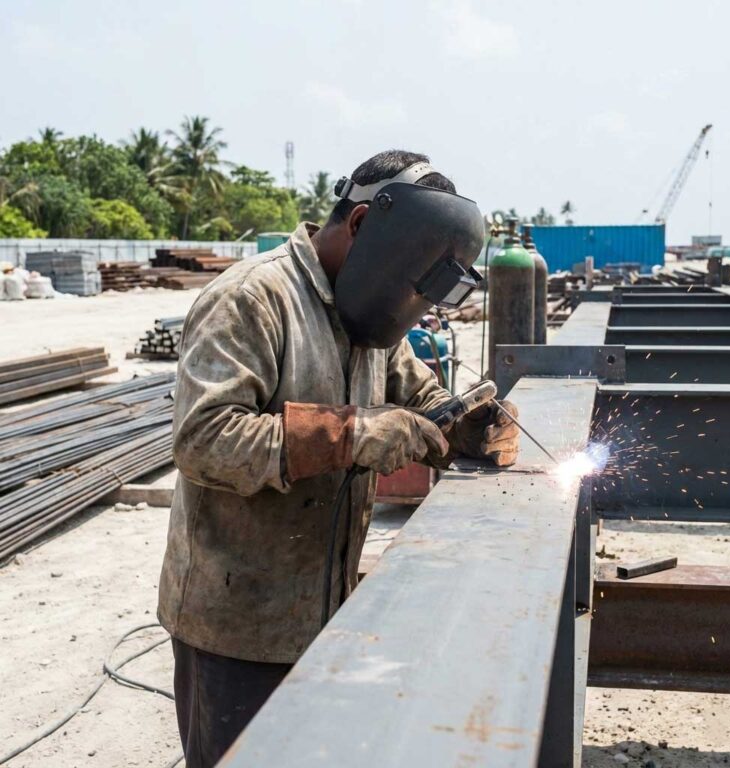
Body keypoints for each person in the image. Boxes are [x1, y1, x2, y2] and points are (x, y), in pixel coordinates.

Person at [157, 149, 520, 768]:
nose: (411, 304)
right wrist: (350, 434)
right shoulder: (251, 299)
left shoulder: (372, 316)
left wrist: (466, 425)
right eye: (411, 283)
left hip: (327, 612)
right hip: (238, 626)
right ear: (360, 224)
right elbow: (204, 441)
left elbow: (422, 396)